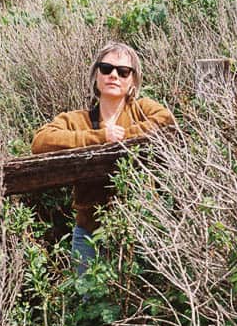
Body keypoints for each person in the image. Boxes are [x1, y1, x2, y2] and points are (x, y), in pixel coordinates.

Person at [31, 42, 175, 271]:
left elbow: (166, 123)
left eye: (123, 71)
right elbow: (41, 141)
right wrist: (100, 137)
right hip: (89, 234)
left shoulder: (143, 110)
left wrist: (124, 136)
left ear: (133, 80)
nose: (114, 75)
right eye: (106, 68)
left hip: (141, 229)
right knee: (88, 302)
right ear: (96, 75)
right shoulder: (76, 120)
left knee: (143, 302)